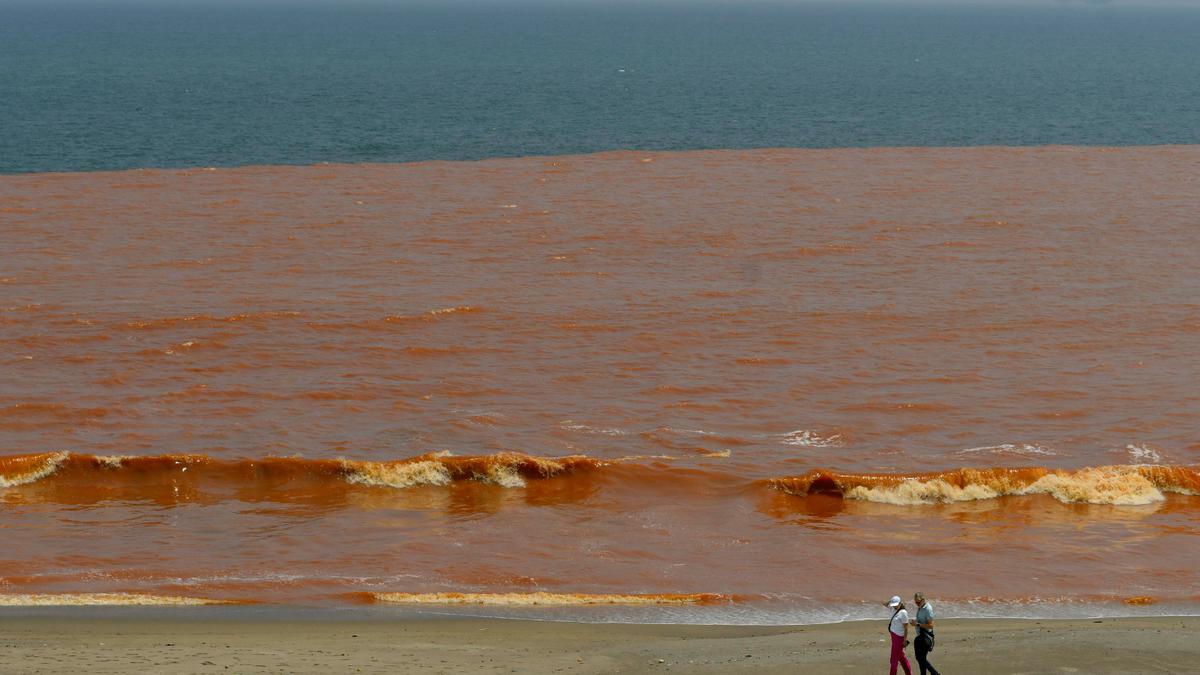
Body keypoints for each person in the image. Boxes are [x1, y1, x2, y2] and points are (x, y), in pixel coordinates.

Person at [909, 592, 941, 675]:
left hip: (926, 637)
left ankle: (934, 673)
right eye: (915, 602)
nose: (917, 604)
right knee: (920, 658)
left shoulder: (928, 609)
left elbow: (931, 625)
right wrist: (915, 622)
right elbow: (921, 620)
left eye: (918, 602)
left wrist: (918, 624)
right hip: (920, 636)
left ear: (923, 600)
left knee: (921, 658)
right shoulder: (920, 607)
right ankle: (933, 673)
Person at [883, 595, 913, 675]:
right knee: (901, 658)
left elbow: (906, 628)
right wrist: (891, 601)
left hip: (899, 639)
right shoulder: (893, 608)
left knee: (894, 660)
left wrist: (904, 641)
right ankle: (909, 673)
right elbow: (884, 604)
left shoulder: (903, 613)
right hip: (893, 637)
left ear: (900, 603)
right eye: (894, 604)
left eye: (896, 604)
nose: (895, 606)